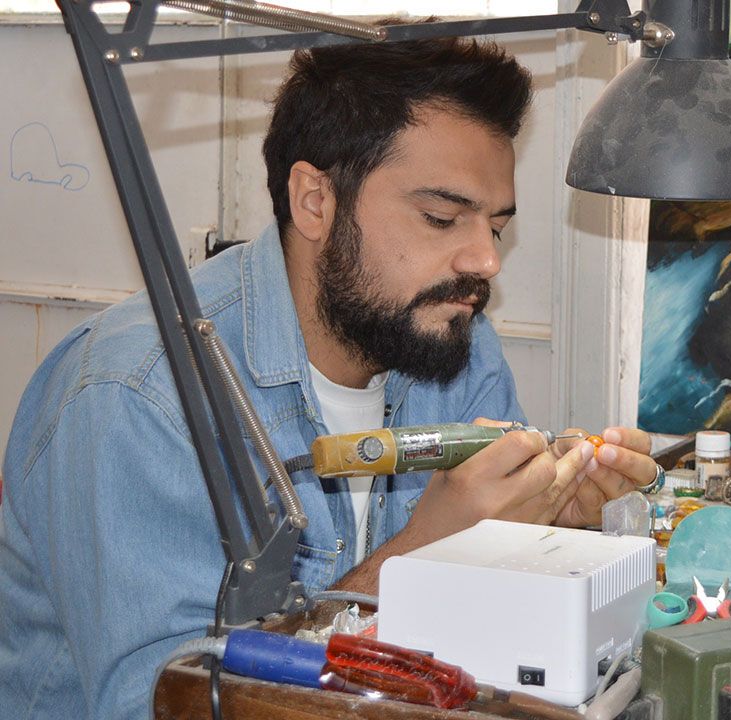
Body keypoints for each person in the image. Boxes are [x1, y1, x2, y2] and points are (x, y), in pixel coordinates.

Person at [0, 34, 659, 719]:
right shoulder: (136, 396)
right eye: (441, 218)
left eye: (494, 227)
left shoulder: (455, 345)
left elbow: (484, 654)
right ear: (315, 201)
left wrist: (549, 533)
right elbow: (167, 707)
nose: (485, 261)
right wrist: (421, 560)